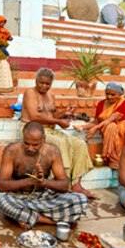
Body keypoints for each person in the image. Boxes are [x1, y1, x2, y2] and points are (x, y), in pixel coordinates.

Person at [0, 121, 88, 229]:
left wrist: (43, 182)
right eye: (26, 143)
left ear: (43, 140)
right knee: (2, 202)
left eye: (35, 145)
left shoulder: (52, 152)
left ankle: (28, 216)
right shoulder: (11, 151)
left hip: (44, 195)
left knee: (80, 199)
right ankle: (49, 220)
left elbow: (64, 185)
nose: (30, 148)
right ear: (23, 137)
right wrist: (30, 181)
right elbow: (2, 186)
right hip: (19, 197)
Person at [21, 68, 95, 198]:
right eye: (41, 83)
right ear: (36, 81)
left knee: (80, 144)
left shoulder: (51, 95)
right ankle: (62, 182)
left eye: (47, 84)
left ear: (51, 83)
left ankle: (76, 184)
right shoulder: (30, 93)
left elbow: (51, 114)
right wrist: (58, 121)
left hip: (50, 129)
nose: (44, 86)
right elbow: (34, 116)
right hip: (33, 130)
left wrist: (63, 114)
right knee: (60, 144)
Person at [77, 82, 125, 169]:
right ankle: (113, 160)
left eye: (113, 94)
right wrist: (82, 127)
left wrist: (95, 129)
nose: (109, 97)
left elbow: (112, 118)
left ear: (120, 95)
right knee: (111, 126)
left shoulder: (124, 102)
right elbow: (96, 122)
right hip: (110, 129)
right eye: (107, 94)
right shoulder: (101, 104)